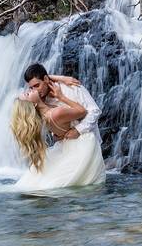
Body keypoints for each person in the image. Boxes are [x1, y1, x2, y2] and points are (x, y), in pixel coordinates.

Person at [10, 63, 106, 191]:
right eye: (31, 87)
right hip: (67, 146)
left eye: (37, 86)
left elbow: (94, 111)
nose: (35, 90)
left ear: (45, 79)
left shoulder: (71, 87)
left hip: (85, 141)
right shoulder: (40, 101)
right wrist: (57, 133)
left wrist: (78, 130)